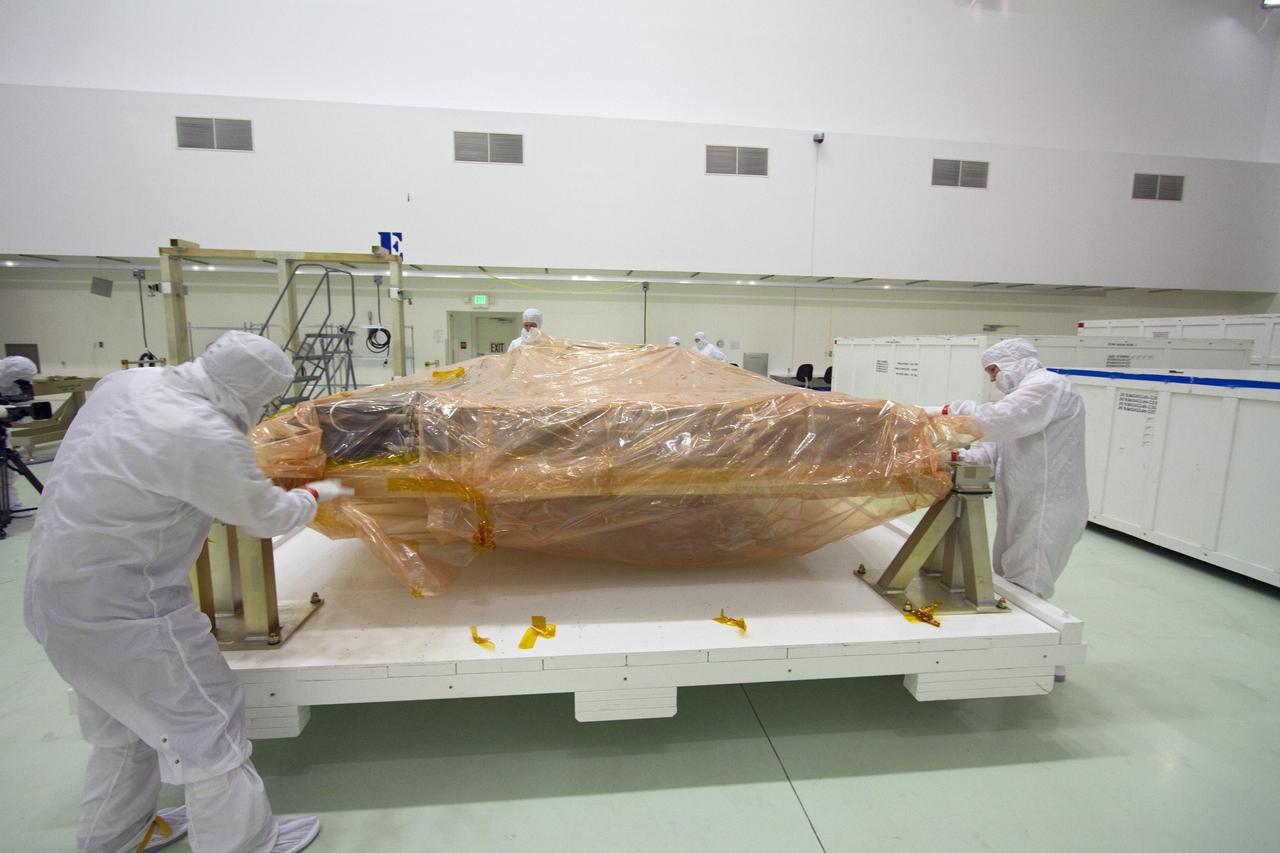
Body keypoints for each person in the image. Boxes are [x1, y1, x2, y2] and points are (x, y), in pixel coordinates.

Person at [24, 330, 348, 853]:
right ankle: (243, 844)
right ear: (253, 391)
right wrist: (316, 494)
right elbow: (263, 516)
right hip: (128, 609)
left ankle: (117, 836)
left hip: (56, 596)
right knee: (208, 723)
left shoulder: (126, 384)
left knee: (125, 727)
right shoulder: (202, 432)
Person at [928, 338, 1087, 605]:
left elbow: (995, 420)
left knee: (1028, 582)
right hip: (1023, 502)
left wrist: (938, 413)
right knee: (1006, 575)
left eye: (992, 370)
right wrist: (947, 456)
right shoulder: (1022, 400)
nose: (992, 379)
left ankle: (1027, 640)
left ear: (1013, 361)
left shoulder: (1049, 386)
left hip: (1047, 506)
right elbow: (993, 454)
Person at [1, 355, 39, 511]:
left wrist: (19, 412)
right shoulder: (6, 375)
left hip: (2, 434)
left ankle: (11, 506)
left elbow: (25, 414)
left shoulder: (20, 380)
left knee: (7, 472)